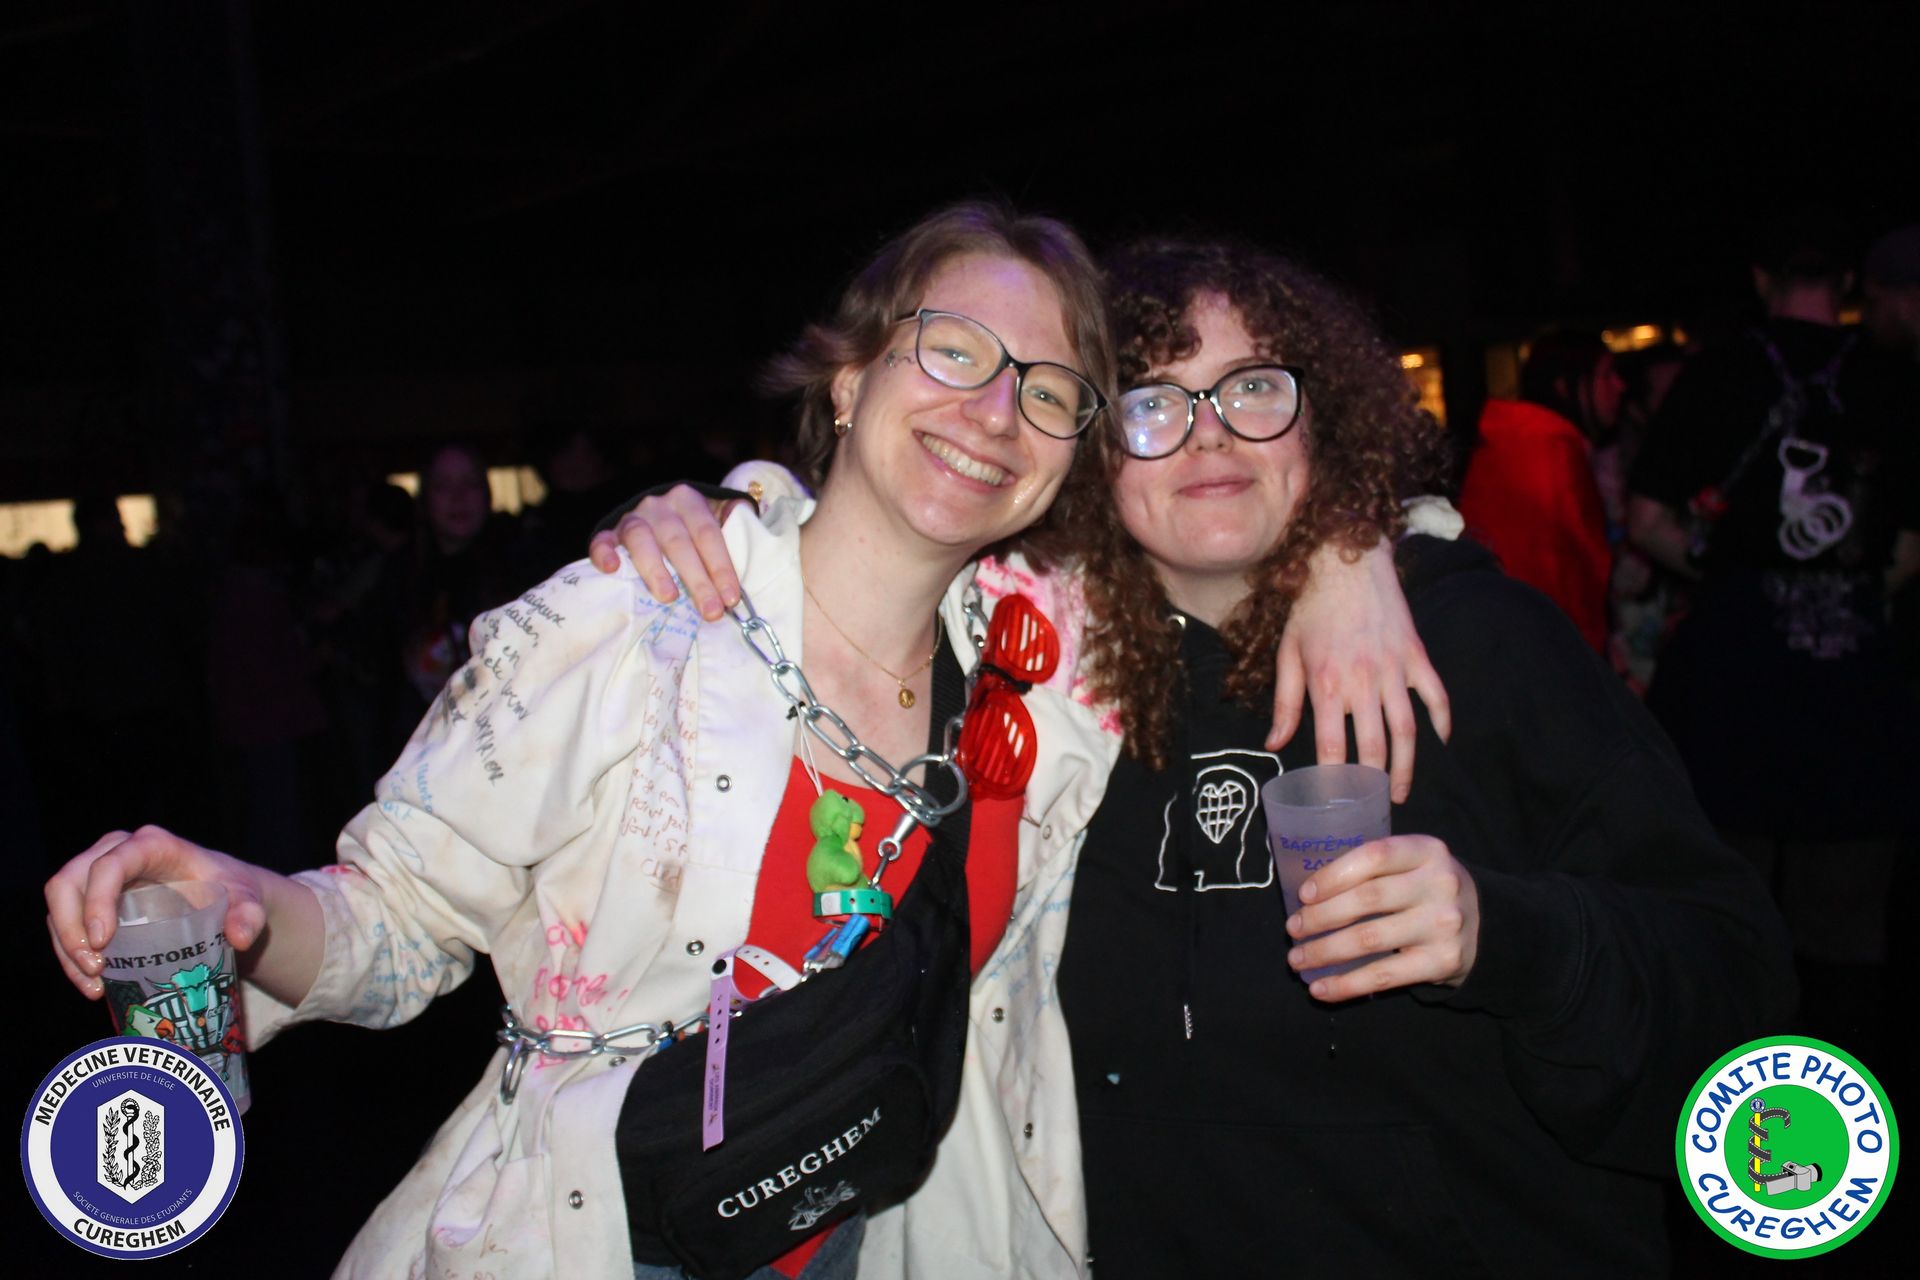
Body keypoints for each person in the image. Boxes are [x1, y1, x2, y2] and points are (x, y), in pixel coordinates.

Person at [45, 203, 1430, 1280]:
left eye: (1050, 388)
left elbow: (1235, 524)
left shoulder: (1057, 661)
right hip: (594, 1238)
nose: (994, 411)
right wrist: (246, 904)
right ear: (851, 377)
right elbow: (398, 925)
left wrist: (1351, 553)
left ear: (1068, 453)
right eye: (953, 350)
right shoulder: (628, 621)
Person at [612, 237, 1794, 1276]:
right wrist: (721, 520)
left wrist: (1506, 932)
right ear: (1091, 453)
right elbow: (861, 553)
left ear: (1321, 417)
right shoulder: (1049, 683)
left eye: (1253, 388)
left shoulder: (1475, 649)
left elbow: (1738, 998)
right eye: (1152, 404)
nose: (1210, 433)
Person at [1627, 213, 1920, 1061]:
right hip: (1856, 680)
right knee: (1848, 932)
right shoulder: (1893, 380)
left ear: (1762, 280)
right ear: (1847, 282)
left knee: (1732, 914)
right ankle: (1847, 1111)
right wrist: (1844, 592)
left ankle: (1742, 1108)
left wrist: (1726, 573)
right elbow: (1909, 547)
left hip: (1737, 676)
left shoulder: (1714, 374)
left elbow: (1645, 520)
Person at [1457, 330, 1624, 652]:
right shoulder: (1549, 448)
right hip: (1542, 645)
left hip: (1505, 636)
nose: (1620, 385)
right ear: (1565, 386)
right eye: (1606, 374)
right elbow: (1573, 573)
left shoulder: (1517, 438)